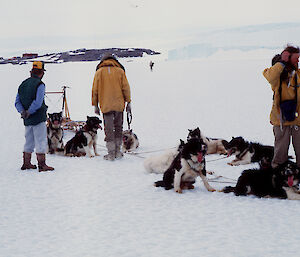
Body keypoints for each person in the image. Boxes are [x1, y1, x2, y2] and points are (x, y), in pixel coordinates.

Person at [263, 45, 300, 167]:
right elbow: (270, 76)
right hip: (281, 120)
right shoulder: (277, 76)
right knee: (280, 155)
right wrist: (282, 62)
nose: (298, 61)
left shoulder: (297, 74)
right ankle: (278, 179)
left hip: (297, 121)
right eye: (296, 58)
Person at [15, 61, 54, 172]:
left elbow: (17, 102)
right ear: (41, 73)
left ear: (31, 72)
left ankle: (26, 163)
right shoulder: (40, 84)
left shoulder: (23, 84)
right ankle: (42, 165)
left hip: (27, 119)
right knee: (41, 140)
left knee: (29, 141)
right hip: (38, 117)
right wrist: (30, 111)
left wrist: (23, 112)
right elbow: (38, 102)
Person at [92, 54, 131, 161]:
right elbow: (126, 88)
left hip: (106, 105)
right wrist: (128, 102)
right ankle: (118, 152)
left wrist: (95, 104)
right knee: (118, 128)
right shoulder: (120, 71)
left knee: (109, 129)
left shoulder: (99, 72)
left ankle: (111, 153)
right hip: (119, 105)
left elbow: (95, 90)